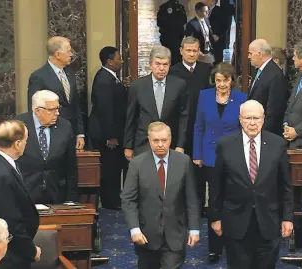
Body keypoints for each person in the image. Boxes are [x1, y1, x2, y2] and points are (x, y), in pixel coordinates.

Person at [210, 100, 294, 269]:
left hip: (268, 220)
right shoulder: (225, 145)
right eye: (248, 118)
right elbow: (216, 185)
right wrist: (215, 217)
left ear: (263, 119)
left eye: (256, 118)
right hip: (235, 220)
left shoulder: (278, 144)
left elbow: (285, 185)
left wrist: (287, 218)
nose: (252, 123)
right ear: (240, 119)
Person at [122, 122, 200, 269]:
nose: (160, 144)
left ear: (170, 140)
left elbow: (191, 198)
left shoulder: (183, 162)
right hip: (146, 236)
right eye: (155, 141)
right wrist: (134, 229)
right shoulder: (137, 164)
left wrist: (194, 228)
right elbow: (128, 200)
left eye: (163, 140)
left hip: (175, 234)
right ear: (149, 140)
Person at [193, 62, 246, 263]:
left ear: (232, 80)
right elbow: (198, 127)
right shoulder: (204, 96)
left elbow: (244, 130)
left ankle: (233, 244)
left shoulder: (242, 99)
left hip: (233, 157)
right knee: (214, 202)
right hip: (210, 156)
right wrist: (197, 153)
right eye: (218, 80)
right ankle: (214, 248)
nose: (221, 84)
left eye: (225, 80)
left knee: (232, 200)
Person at [0, 120, 41, 269]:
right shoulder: (1, 174)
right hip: (10, 256)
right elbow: (11, 222)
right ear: (17, 144)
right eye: (26, 141)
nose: (26, 144)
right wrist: (31, 251)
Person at [124, 46, 188, 159]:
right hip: (143, 143)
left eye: (165, 64)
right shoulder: (137, 86)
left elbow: (183, 116)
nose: (161, 68)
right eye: (157, 64)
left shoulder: (179, 85)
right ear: (150, 64)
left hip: (170, 144)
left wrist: (180, 145)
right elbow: (131, 118)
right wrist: (128, 146)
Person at [15, 90, 78, 204]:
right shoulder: (18, 125)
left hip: (56, 192)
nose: (57, 113)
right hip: (25, 193)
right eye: (51, 110)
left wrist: (71, 198)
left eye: (58, 108)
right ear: (37, 111)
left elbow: (71, 166)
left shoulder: (65, 126)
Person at [28, 36, 85, 150]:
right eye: (68, 51)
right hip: (51, 133)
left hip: (71, 133)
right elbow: (35, 109)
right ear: (58, 54)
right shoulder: (39, 76)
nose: (71, 54)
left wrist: (80, 133)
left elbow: (75, 105)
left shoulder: (70, 74)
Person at [88, 46, 128, 210]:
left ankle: (113, 199)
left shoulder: (111, 77)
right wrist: (111, 136)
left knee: (114, 166)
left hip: (113, 132)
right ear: (110, 61)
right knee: (110, 168)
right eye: (119, 58)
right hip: (107, 134)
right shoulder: (104, 80)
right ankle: (111, 202)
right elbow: (106, 110)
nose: (122, 61)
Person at [169, 36, 212, 157]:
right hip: (180, 122)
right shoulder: (173, 72)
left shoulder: (207, 69)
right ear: (181, 51)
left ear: (199, 51)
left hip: (201, 120)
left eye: (195, 51)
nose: (192, 54)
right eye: (188, 50)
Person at [248, 39, 289, 136]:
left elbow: (274, 110)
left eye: (250, 53)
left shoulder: (275, 74)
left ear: (260, 54)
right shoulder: (259, 71)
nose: (248, 57)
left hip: (266, 133)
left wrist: (263, 134)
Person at [157, 0, 187, 65]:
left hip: (168, 37)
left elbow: (159, 23)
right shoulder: (180, 7)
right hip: (174, 37)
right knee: (175, 56)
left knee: (168, 55)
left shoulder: (163, 7)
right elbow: (184, 21)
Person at [203, 0, 232, 64]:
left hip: (217, 42)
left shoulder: (221, 11)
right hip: (205, 43)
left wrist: (218, 35)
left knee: (216, 63)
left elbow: (225, 25)